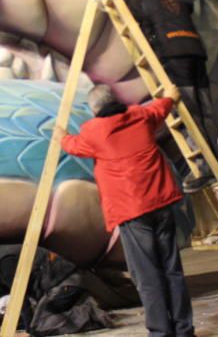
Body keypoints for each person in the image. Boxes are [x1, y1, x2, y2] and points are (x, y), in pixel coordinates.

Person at [55, 83, 194, 337]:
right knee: (171, 269)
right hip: (161, 202)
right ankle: (184, 330)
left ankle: (160, 332)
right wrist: (170, 97)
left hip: (132, 211)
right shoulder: (140, 116)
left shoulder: (93, 131)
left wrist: (61, 136)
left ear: (94, 108)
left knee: (147, 275)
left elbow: (73, 146)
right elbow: (160, 108)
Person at [90, 0, 218, 192]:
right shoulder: (171, 2)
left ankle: (205, 168)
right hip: (196, 54)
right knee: (206, 112)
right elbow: (186, 2)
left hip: (174, 58)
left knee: (188, 114)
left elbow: (121, 1)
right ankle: (216, 162)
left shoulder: (143, 4)